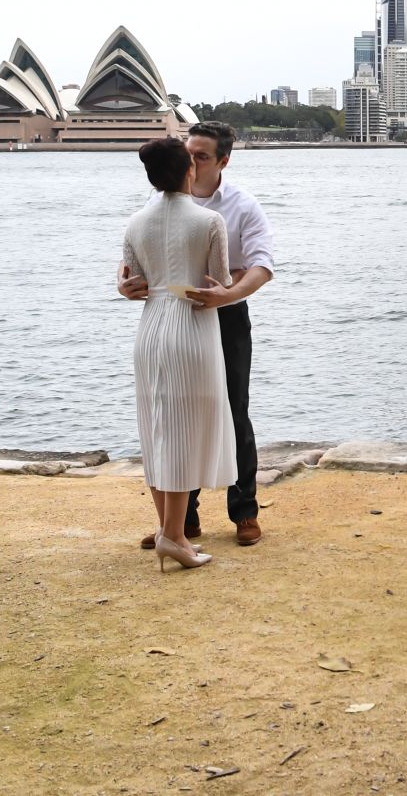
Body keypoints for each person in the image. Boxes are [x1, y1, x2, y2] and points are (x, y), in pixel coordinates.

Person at [121, 121, 275, 548]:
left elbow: (262, 266)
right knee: (171, 411)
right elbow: (135, 262)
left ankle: (244, 512)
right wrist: (124, 283)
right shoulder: (159, 203)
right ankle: (180, 522)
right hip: (174, 319)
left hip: (225, 317)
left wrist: (227, 294)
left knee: (233, 410)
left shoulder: (242, 206)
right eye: (188, 153)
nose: (192, 161)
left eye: (202, 156)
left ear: (223, 161)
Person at [120, 137, 236, 572]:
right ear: (189, 169)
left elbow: (133, 280)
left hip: (150, 329)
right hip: (192, 326)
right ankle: (173, 536)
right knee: (187, 431)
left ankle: (172, 533)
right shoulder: (209, 221)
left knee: (157, 428)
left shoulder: (134, 222)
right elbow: (220, 282)